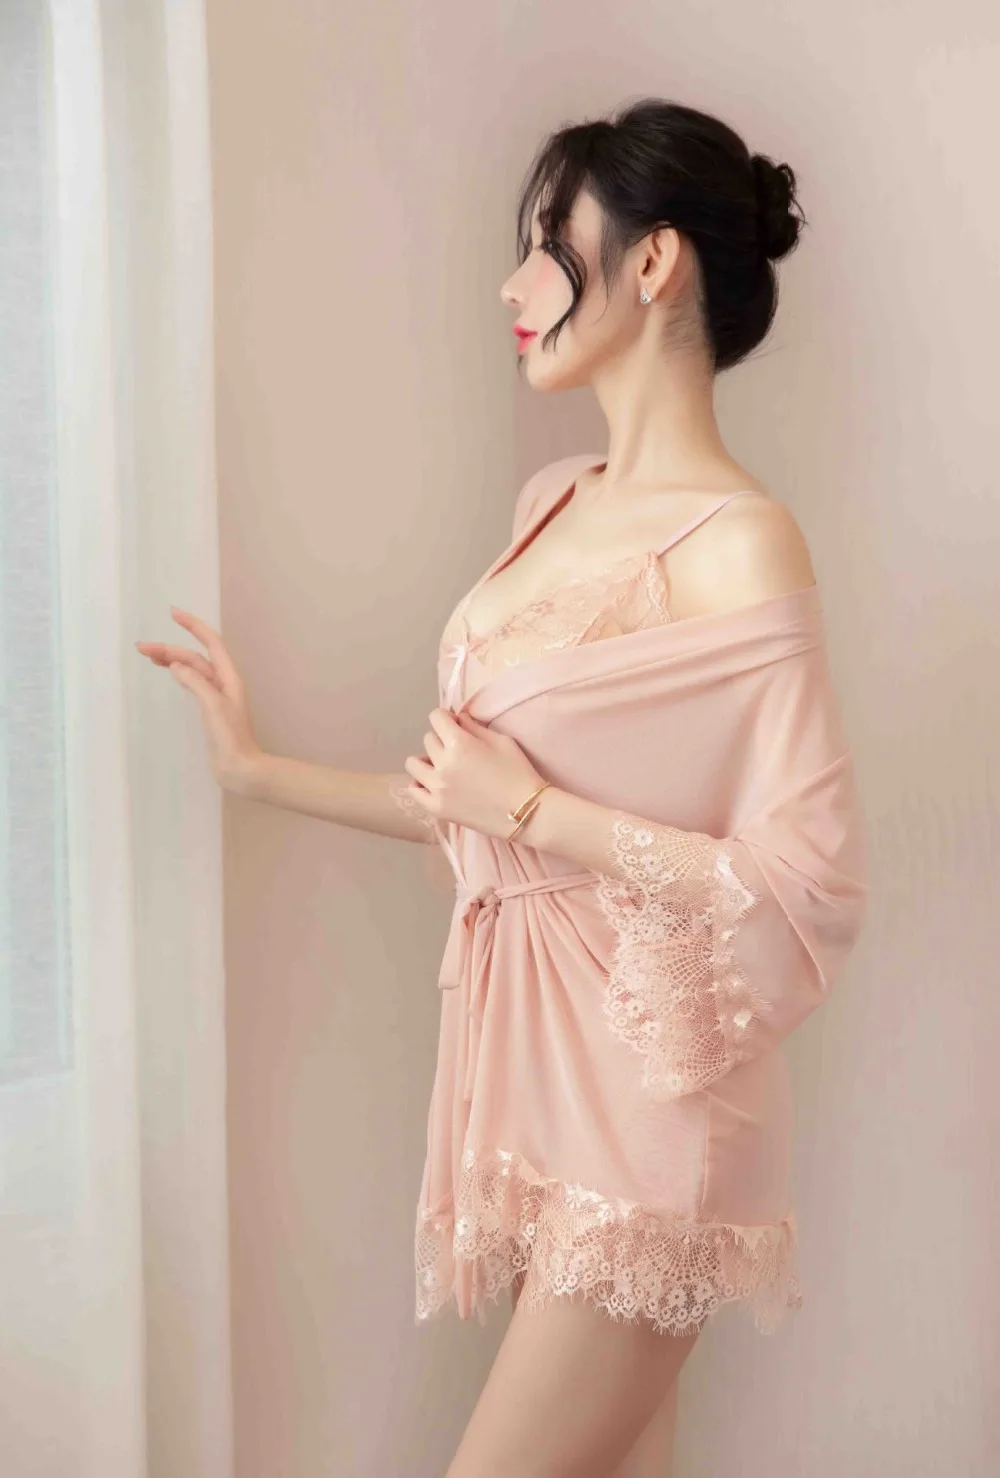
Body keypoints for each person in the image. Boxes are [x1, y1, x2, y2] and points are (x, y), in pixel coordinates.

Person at [137, 97, 867, 1478]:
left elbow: (809, 884)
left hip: (651, 1119)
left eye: (546, 243)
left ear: (651, 262)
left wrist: (530, 810)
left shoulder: (743, 545)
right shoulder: (552, 503)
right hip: (534, 1096)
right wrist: (254, 769)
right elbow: (465, 806)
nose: (512, 286)